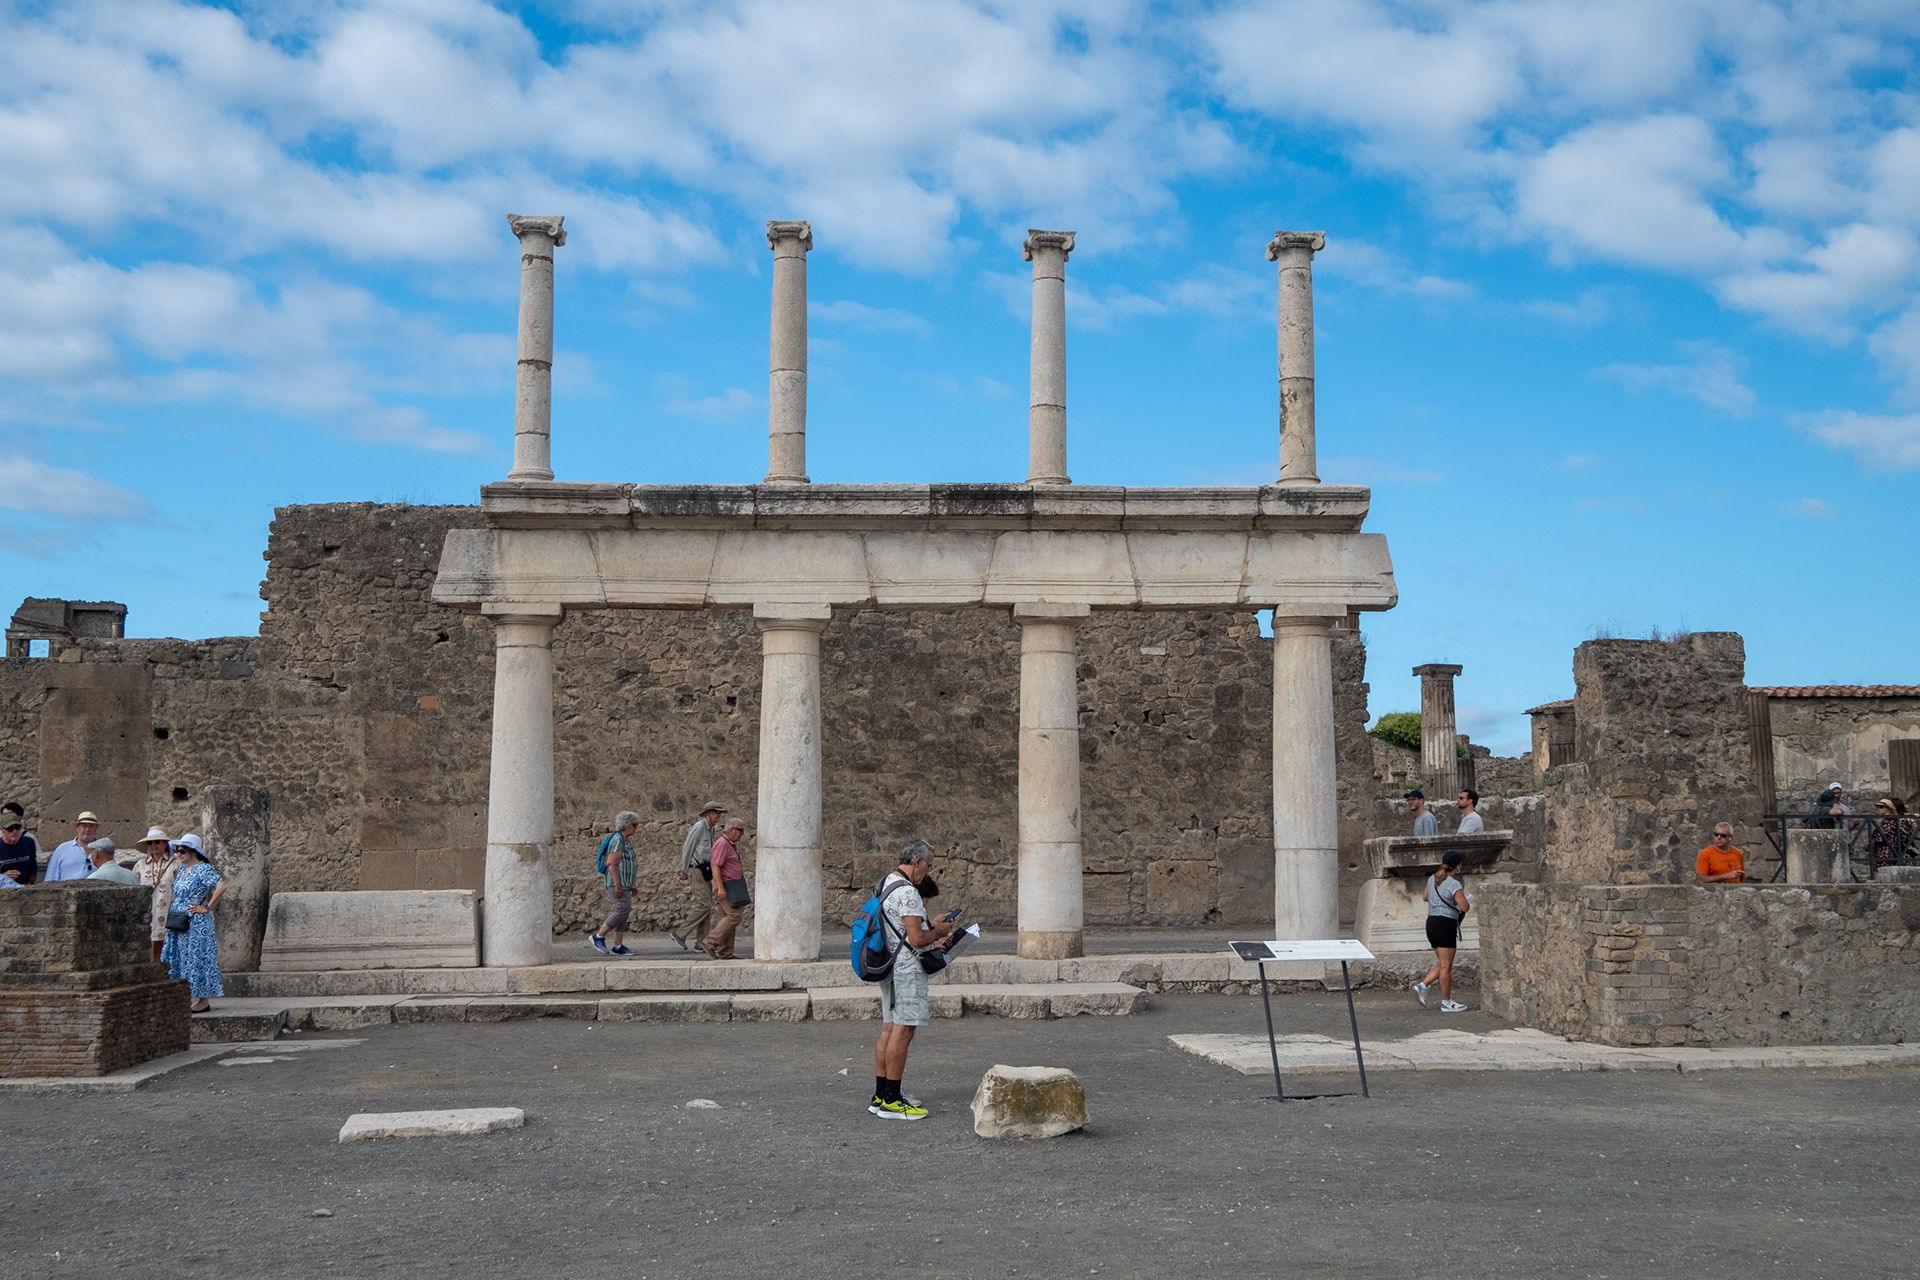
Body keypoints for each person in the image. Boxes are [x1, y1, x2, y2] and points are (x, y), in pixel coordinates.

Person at [869, 839, 957, 1119]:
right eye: (928, 866)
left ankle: (881, 1095)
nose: (927, 873)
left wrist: (930, 924)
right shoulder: (908, 892)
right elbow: (917, 939)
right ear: (917, 861)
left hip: (890, 965)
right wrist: (939, 932)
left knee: (888, 1029)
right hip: (907, 969)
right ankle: (893, 1101)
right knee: (903, 1030)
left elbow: (903, 929)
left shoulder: (886, 883)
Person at [161, 834, 225, 1013]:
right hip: (179, 921)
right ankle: (184, 996)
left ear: (193, 852)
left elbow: (221, 886)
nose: (178, 854)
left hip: (195, 922)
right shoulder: (183, 870)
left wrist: (207, 907)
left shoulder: (202, 868)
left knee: (196, 957)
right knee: (181, 956)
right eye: (177, 851)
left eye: (182, 851)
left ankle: (203, 1000)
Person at [1414, 850, 1470, 1013]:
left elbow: (1425, 897)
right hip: (1445, 924)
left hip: (1431, 923)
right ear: (1457, 866)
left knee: (1444, 963)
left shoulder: (1432, 879)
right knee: (1446, 966)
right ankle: (1446, 1002)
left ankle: (1423, 986)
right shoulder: (1454, 884)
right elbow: (1464, 907)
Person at [668, 803, 725, 953]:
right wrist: (684, 870)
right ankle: (680, 934)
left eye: (720, 813)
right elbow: (688, 847)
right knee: (704, 904)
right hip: (695, 869)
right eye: (717, 812)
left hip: (705, 870)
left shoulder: (710, 828)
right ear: (708, 813)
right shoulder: (700, 827)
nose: (719, 816)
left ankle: (702, 942)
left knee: (706, 904)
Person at [589, 810, 642, 956]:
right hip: (615, 882)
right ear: (626, 825)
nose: (636, 827)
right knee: (622, 910)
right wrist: (618, 885)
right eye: (634, 825)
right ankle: (599, 936)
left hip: (624, 882)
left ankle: (618, 946)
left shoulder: (625, 840)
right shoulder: (617, 840)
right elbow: (612, 864)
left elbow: (627, 864)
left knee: (624, 912)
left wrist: (631, 885)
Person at [701, 818, 748, 960]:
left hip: (730, 886)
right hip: (726, 886)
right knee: (734, 916)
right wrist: (720, 888)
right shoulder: (722, 844)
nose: (742, 834)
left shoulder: (729, 845)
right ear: (731, 830)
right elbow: (715, 866)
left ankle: (726, 953)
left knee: (726, 919)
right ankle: (709, 941)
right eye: (740, 830)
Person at [134, 828, 178, 962]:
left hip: (168, 910)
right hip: (148, 910)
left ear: (165, 843)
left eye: (157, 842)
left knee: (166, 944)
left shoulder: (175, 864)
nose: (153, 845)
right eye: (150, 843)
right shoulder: (140, 865)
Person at [45, 810, 101, 882]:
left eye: (91, 826)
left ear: (96, 828)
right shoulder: (62, 849)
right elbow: (50, 879)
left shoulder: (104, 850)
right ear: (77, 828)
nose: (87, 829)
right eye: (84, 826)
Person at [0, 810, 38, 885]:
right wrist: (4, 876)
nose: (14, 831)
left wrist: (30, 882)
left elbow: (33, 865)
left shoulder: (29, 842)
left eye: (18, 827)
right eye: (10, 828)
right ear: (2, 830)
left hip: (25, 888)